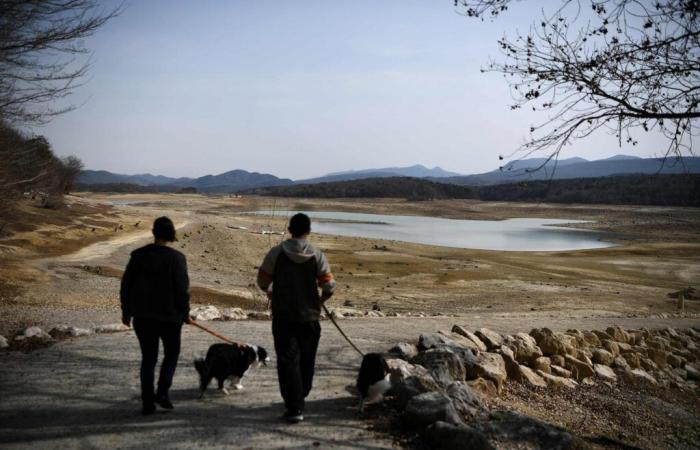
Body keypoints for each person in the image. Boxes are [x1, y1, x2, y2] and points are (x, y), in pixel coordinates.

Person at [257, 213, 336, 424]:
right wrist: (320, 302)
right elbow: (329, 286)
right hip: (310, 318)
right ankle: (301, 396)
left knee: (287, 361)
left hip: (283, 317)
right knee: (306, 360)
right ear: (308, 231)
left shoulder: (276, 253)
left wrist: (271, 293)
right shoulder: (317, 255)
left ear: (290, 229)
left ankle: (294, 406)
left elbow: (262, 281)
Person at [120, 216, 190, 415]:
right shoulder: (177, 258)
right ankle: (163, 392)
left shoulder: (138, 256)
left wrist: (126, 311)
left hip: (143, 317)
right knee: (172, 354)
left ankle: (148, 402)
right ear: (171, 235)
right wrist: (186, 313)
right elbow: (182, 290)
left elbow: (126, 286)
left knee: (148, 358)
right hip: (170, 318)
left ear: (153, 232)